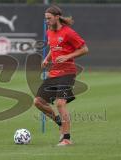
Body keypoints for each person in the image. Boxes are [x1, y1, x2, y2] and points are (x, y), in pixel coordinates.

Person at [34, 5, 89, 146]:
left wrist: (67, 56)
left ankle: (67, 138)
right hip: (54, 73)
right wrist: (47, 58)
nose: (46, 21)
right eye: (45, 18)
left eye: (49, 18)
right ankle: (59, 122)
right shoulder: (49, 32)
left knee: (60, 103)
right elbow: (53, 48)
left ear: (57, 17)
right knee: (38, 102)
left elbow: (84, 49)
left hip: (67, 72)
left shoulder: (69, 33)